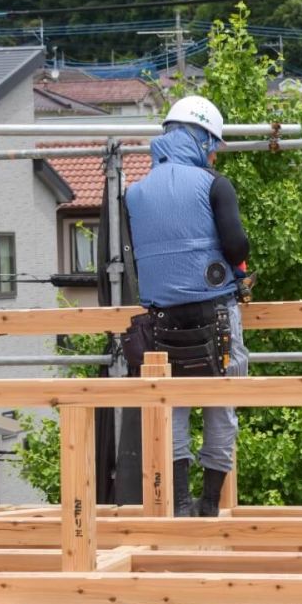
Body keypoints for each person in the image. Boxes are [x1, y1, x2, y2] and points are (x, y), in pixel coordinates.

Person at [125, 95, 249, 518]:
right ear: (200, 139)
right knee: (221, 405)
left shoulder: (135, 193)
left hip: (161, 323)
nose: (213, 154)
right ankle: (210, 505)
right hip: (216, 316)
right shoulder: (214, 184)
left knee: (172, 408)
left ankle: (178, 504)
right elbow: (236, 246)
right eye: (212, 145)